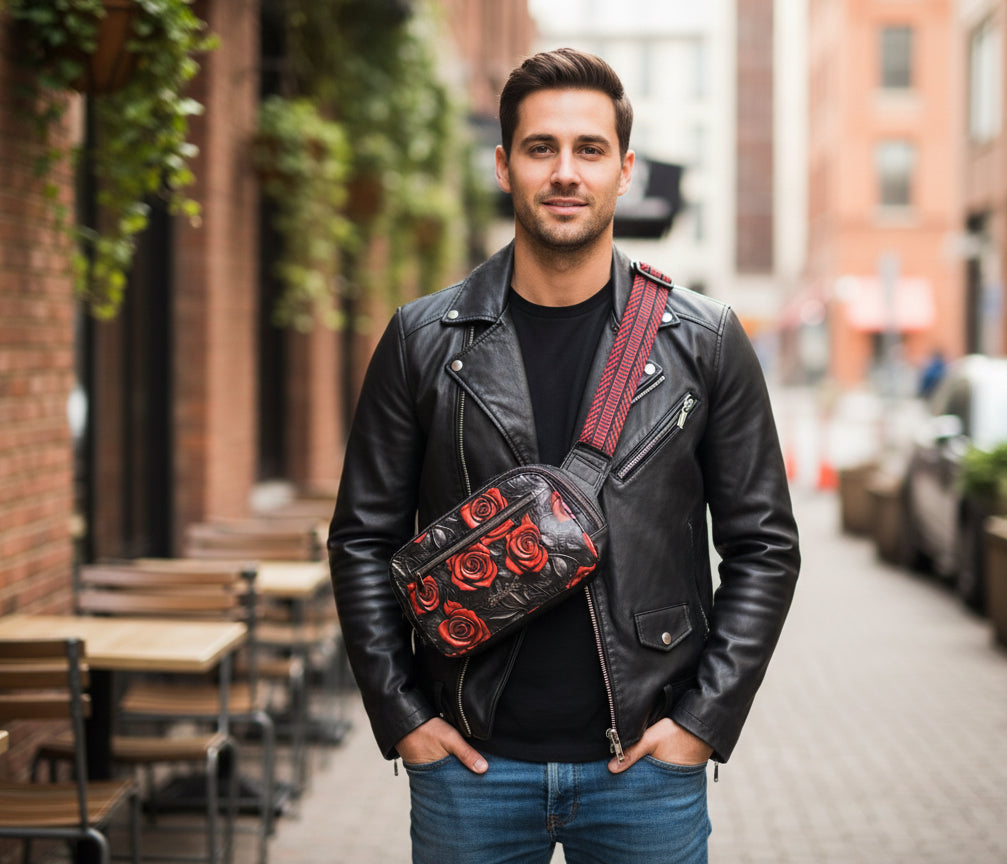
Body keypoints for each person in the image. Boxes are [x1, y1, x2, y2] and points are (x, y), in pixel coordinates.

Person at [328, 48, 799, 864]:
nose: (565, 172)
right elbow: (360, 539)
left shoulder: (705, 341)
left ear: (625, 170)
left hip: (644, 771)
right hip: (470, 772)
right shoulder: (421, 340)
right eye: (541, 149)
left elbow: (764, 546)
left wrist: (702, 722)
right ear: (505, 166)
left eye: (589, 149)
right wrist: (401, 717)